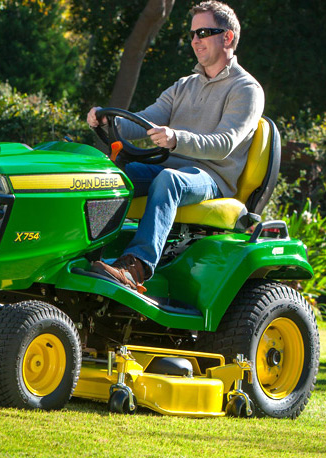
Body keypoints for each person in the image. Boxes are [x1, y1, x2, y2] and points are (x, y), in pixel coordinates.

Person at [86, 1, 264, 293]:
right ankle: (89, 254)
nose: (196, 40)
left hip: (210, 177)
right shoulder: (184, 86)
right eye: (193, 34)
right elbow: (144, 122)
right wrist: (106, 119)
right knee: (108, 175)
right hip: (170, 168)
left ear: (228, 37)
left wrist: (176, 138)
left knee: (169, 180)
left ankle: (136, 267)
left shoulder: (246, 90)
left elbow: (224, 144)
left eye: (204, 32)